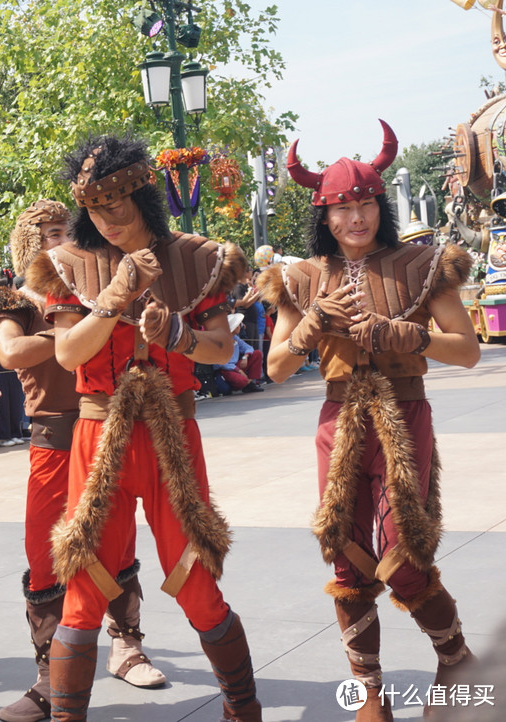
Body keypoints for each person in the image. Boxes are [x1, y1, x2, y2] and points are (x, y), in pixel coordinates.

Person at [26, 135, 261, 721]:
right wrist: (114, 295)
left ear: (142, 196)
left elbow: (222, 348)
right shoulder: (69, 266)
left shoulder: (196, 256)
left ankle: (243, 709)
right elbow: (69, 355)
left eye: (116, 206)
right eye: (94, 210)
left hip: (172, 441)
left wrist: (176, 337)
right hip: (96, 438)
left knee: (197, 584)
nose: (105, 221)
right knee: (80, 589)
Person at [259, 120, 480, 720]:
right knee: (346, 554)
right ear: (323, 215)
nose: (355, 218)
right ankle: (370, 691)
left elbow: (468, 349)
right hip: (338, 415)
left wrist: (411, 335)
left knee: (405, 552)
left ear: (379, 205)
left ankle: (455, 658)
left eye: (365, 204)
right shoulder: (301, 277)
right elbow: (276, 368)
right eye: (341, 207)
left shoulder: (423, 264)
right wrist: (310, 326)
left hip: (405, 413)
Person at [0, 199, 166, 722]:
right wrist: (71, 330)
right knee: (45, 556)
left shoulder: (99, 283)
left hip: (112, 427)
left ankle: (127, 645)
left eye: (64, 231)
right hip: (52, 437)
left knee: (118, 540)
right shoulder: (18, 298)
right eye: (45, 235)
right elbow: (10, 354)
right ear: (27, 246)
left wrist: (94, 312)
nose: (56, 242)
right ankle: (48, 674)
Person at [215, 315, 264, 394]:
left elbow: (248, 348)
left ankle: (249, 382)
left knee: (257, 353)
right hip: (226, 369)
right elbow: (221, 363)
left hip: (235, 366)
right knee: (242, 381)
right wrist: (239, 370)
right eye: (238, 325)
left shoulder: (235, 338)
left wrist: (245, 357)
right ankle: (243, 384)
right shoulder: (221, 341)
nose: (240, 327)